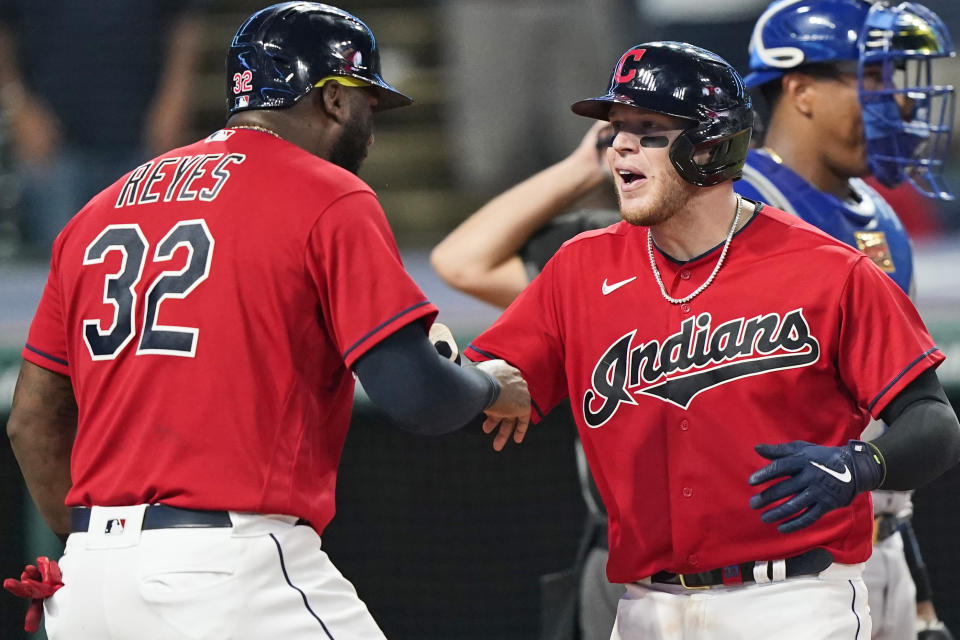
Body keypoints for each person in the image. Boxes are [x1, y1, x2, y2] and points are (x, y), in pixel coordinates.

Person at [2, 3, 529, 638]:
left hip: (86, 584)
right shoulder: (326, 193)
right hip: (229, 574)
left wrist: (107, 549)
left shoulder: (98, 210)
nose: (371, 125)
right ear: (332, 98)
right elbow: (418, 396)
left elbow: (31, 419)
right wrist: (492, 386)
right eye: (367, 103)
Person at [463, 41, 960, 639]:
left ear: (710, 144)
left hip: (791, 602)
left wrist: (862, 464)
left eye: (647, 129)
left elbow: (932, 420)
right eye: (616, 127)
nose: (619, 143)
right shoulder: (580, 268)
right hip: (643, 606)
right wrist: (444, 369)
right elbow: (483, 390)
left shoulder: (829, 269)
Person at [738, 2, 957, 637]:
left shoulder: (880, 218)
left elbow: (893, 416)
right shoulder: (735, 211)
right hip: (775, 567)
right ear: (800, 88)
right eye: (876, 77)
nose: (903, 103)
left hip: (877, 542)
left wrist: (917, 599)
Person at [433, 120, 621, 640]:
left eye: (653, 130)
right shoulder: (589, 258)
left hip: (767, 554)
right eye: (625, 132)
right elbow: (461, 261)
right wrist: (579, 168)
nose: (630, 148)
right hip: (625, 561)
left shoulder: (760, 245)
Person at [0, 0, 206, 258]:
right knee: (53, 269)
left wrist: (175, 98)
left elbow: (185, 20)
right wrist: (18, 105)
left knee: (146, 264)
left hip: (143, 138)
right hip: (51, 142)